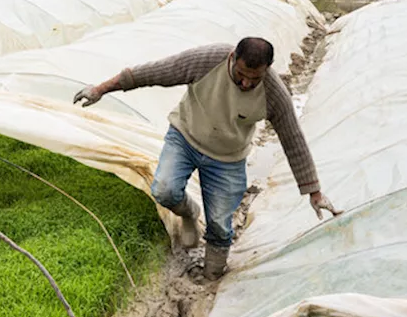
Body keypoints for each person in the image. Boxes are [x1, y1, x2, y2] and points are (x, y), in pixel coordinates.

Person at [74, 37, 337, 280]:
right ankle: (190, 214)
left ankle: (212, 277)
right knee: (164, 189)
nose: (246, 83)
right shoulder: (207, 60)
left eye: (254, 79)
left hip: (227, 157)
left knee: (221, 227)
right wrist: (100, 89)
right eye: (241, 75)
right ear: (233, 58)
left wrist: (314, 192)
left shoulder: (274, 93)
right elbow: (152, 73)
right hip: (185, 137)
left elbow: (293, 139)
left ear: (267, 70)